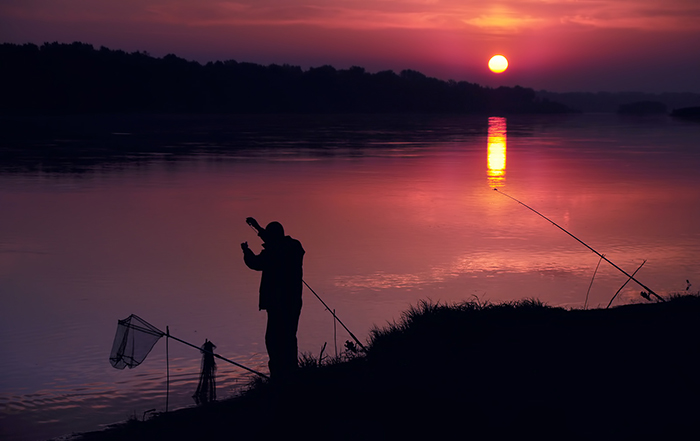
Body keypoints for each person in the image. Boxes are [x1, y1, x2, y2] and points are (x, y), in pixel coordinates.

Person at [241, 217, 305, 381]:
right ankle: (291, 370)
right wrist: (257, 227)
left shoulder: (273, 253)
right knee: (289, 336)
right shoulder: (294, 247)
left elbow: (255, 263)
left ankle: (278, 374)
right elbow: (275, 242)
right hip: (294, 302)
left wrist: (246, 251)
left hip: (277, 304)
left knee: (273, 339)